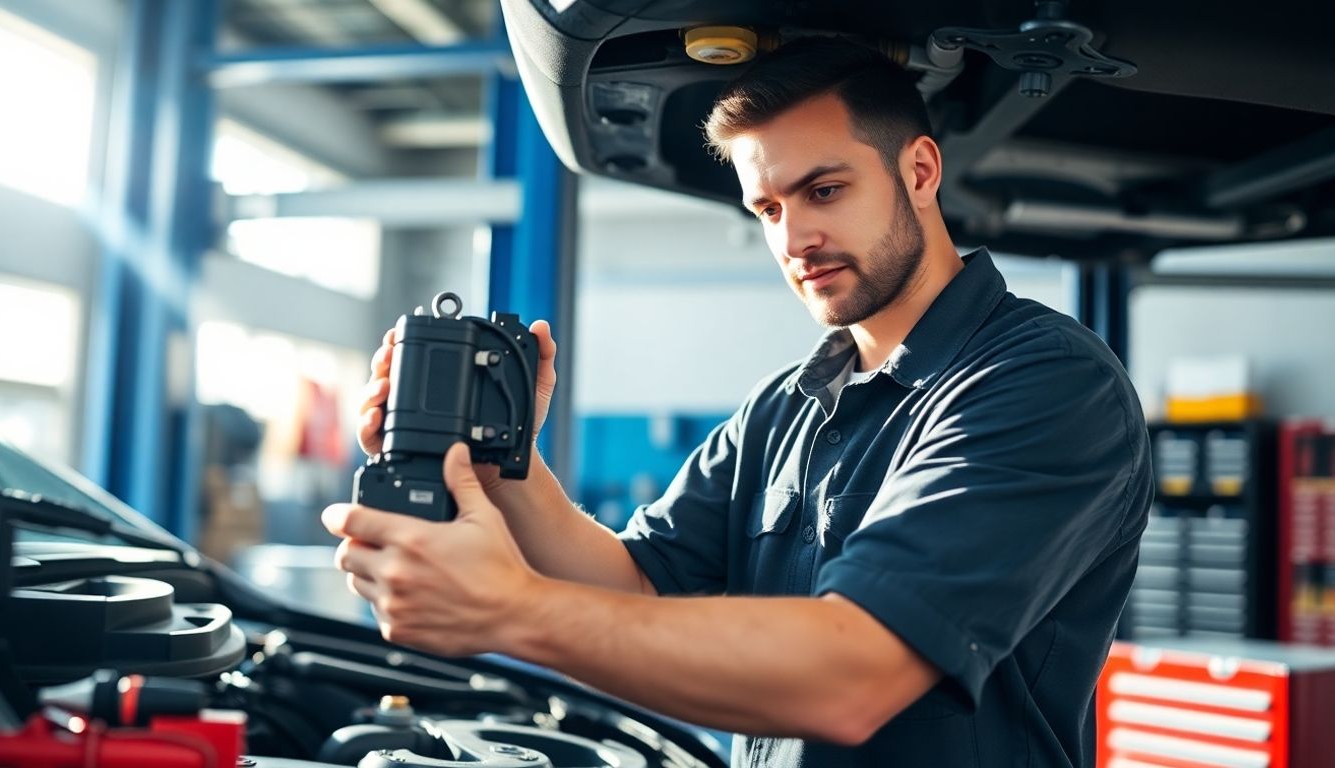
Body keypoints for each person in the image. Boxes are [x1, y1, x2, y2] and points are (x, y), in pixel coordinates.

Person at [323, 36, 1152, 767]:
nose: (793, 241)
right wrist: (507, 464)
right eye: (769, 208)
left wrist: (507, 612)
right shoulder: (784, 407)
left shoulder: (1044, 383)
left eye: (824, 191)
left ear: (920, 171)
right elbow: (633, 585)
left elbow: (855, 677)